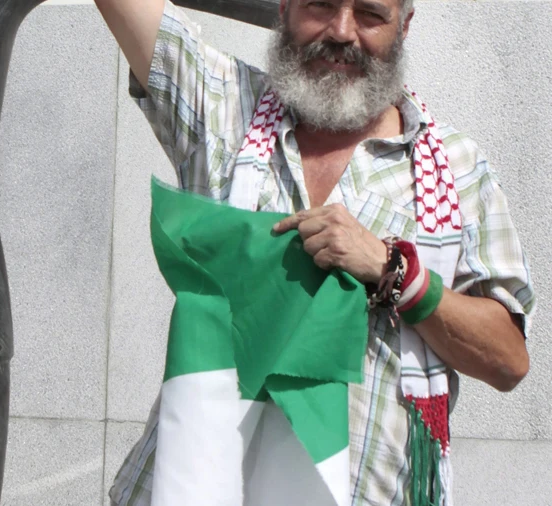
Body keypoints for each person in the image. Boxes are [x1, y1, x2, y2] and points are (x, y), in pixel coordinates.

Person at [93, 0, 536, 504]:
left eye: (370, 13)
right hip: (195, 481)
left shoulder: (455, 171)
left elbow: (507, 360)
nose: (342, 31)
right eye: (320, 4)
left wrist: (396, 274)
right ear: (283, 8)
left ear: (405, 26)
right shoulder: (224, 107)